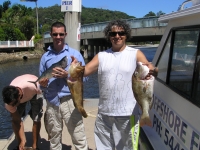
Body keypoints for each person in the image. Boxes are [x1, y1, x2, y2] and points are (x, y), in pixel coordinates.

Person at [83, 20, 158, 149]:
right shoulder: (101, 56)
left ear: (126, 35)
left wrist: (154, 69)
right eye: (113, 33)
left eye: (121, 33)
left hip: (127, 114)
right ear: (109, 35)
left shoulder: (135, 54)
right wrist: (72, 69)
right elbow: (84, 72)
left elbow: (149, 69)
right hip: (104, 114)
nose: (117, 36)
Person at [38, 21, 88, 150]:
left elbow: (85, 78)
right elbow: (41, 84)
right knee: (54, 138)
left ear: (65, 34)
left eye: (61, 34)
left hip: (70, 100)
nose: (58, 37)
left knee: (78, 137)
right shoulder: (45, 57)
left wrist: (68, 75)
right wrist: (43, 84)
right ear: (51, 35)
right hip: (52, 101)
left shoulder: (75, 54)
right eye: (55, 34)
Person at [2, 74, 43, 150]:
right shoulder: (9, 103)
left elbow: (46, 91)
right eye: (11, 104)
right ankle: (20, 145)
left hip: (35, 92)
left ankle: (35, 146)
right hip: (22, 95)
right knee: (15, 120)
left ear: (19, 95)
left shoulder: (33, 86)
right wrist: (23, 140)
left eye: (14, 104)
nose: (13, 106)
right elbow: (17, 121)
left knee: (36, 118)